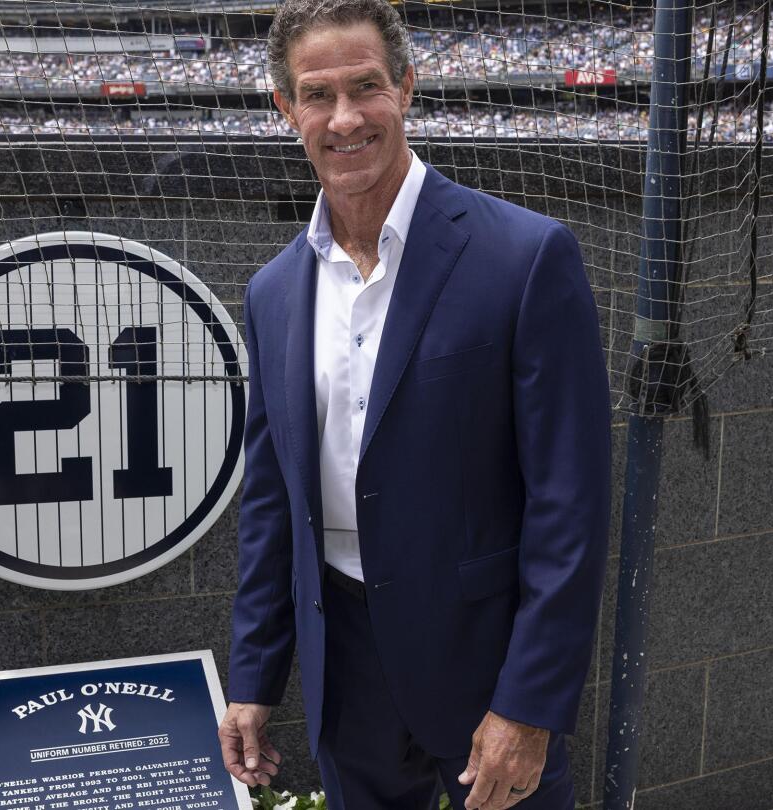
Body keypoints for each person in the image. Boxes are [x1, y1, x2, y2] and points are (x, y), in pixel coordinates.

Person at [217, 1, 611, 808]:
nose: (346, 117)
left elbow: (569, 507)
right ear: (285, 110)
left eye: (366, 86)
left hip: (485, 668)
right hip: (346, 673)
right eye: (317, 95)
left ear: (407, 87)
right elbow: (270, 502)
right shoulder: (272, 293)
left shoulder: (525, 258)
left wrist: (528, 705)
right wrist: (254, 677)